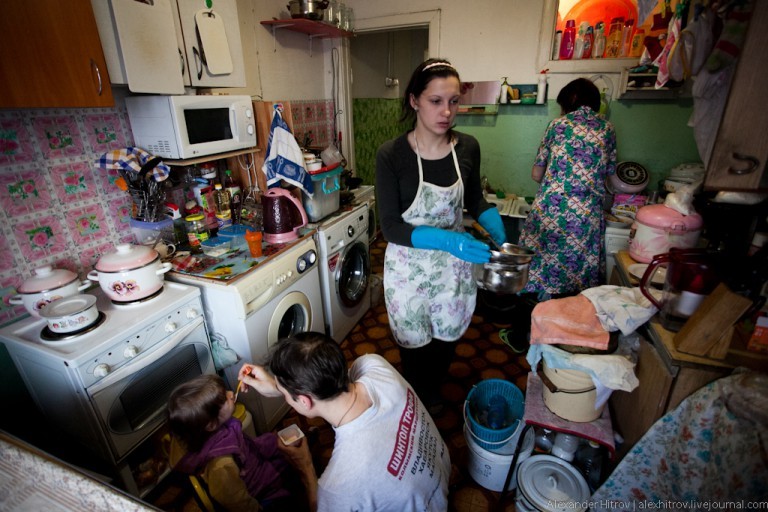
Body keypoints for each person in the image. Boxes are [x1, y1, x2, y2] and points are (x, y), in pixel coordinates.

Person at [374, 58, 506, 411]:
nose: (447, 111)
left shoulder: (468, 147)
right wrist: (448, 239)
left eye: (453, 101)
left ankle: (433, 393)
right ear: (414, 100)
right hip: (409, 269)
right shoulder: (391, 155)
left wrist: (494, 224)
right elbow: (390, 226)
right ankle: (419, 401)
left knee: (447, 337)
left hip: (454, 269)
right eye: (436, 101)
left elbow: (474, 197)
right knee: (415, 345)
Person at [238, 331, 451, 512]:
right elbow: (322, 385)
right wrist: (278, 386)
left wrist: (305, 466)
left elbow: (320, 507)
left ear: (304, 402)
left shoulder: (339, 483)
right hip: (440, 473)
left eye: (285, 395)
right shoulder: (373, 364)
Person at [518, 77, 617, 299]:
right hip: (586, 217)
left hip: (553, 210)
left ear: (570, 100)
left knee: (540, 270)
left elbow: (536, 174)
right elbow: (610, 177)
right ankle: (568, 325)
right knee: (576, 279)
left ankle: (530, 326)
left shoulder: (557, 125)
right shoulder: (607, 128)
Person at [167, 374, 310, 512]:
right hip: (259, 491)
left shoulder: (203, 430)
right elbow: (237, 501)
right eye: (224, 398)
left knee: (277, 442)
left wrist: (272, 442)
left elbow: (247, 445)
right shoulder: (221, 466)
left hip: (251, 455)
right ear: (210, 425)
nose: (230, 394)